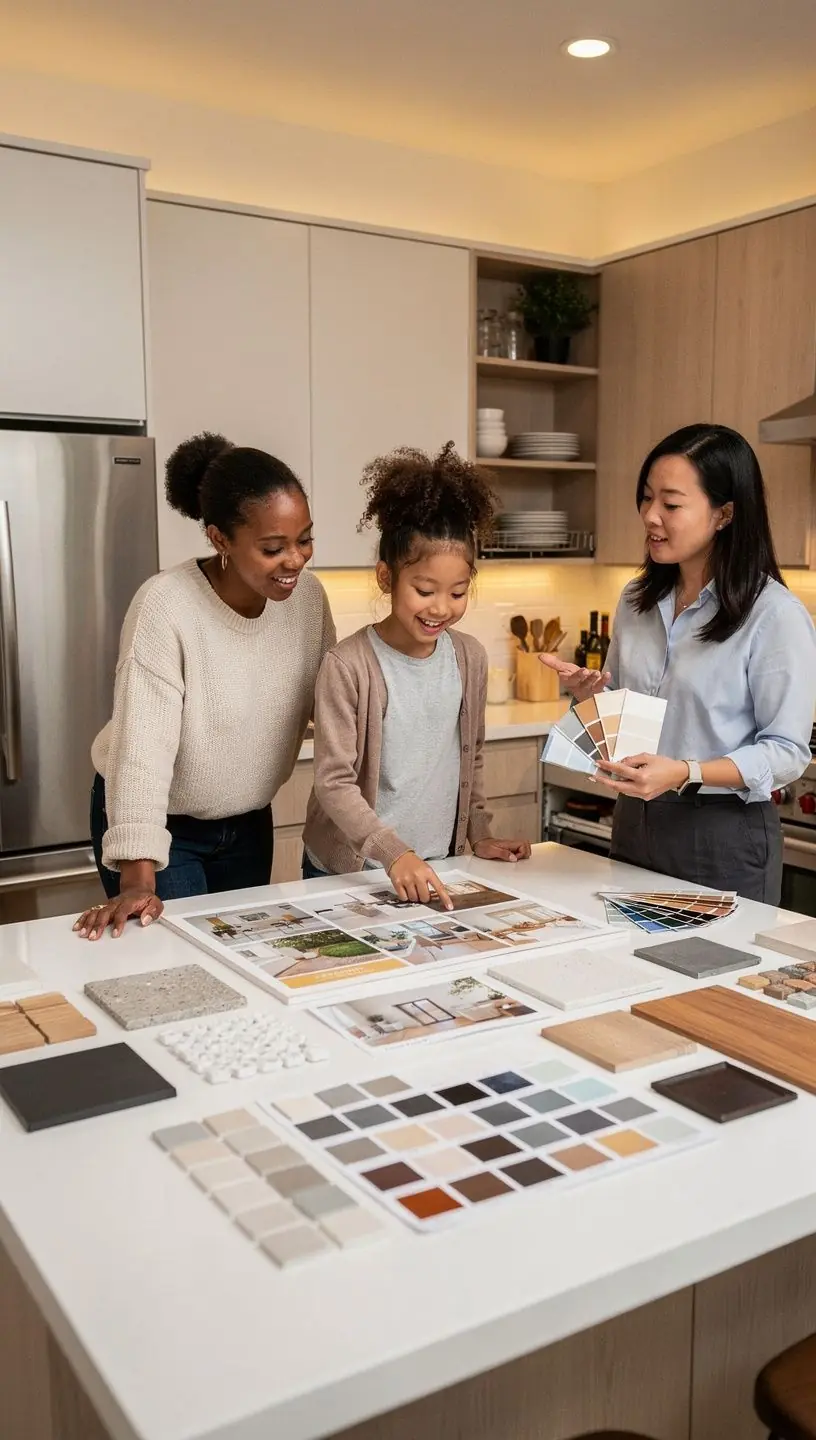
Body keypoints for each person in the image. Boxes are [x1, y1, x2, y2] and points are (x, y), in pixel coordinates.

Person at [75, 432, 335, 940]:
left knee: (241, 958)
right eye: (272, 547)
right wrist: (136, 877)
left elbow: (335, 704)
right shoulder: (166, 606)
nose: (296, 560)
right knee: (175, 961)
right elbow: (139, 753)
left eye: (304, 538)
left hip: (248, 820)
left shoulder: (307, 602)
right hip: (159, 825)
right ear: (219, 539)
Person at [541, 423, 816, 903]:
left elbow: (788, 751)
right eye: (646, 499)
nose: (650, 516)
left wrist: (685, 772)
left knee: (711, 978)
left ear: (724, 514)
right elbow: (626, 720)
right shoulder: (636, 601)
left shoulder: (773, 615)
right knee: (628, 967)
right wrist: (590, 698)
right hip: (635, 821)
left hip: (723, 835)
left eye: (670, 504)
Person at [301, 442, 532, 908]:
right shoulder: (348, 666)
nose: (441, 608)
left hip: (436, 866)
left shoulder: (469, 657)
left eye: (458, 592)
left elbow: (474, 756)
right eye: (425, 590)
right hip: (355, 871)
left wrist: (477, 834)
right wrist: (393, 853)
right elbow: (333, 782)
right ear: (387, 578)